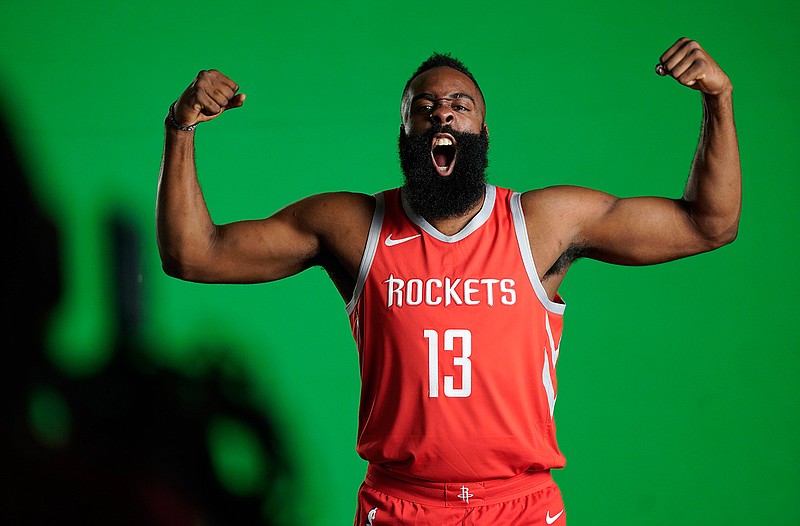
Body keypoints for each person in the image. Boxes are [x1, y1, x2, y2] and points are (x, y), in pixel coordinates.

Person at [157, 37, 740, 525]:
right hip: (401, 505)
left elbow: (707, 223)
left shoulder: (541, 224)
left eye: (460, 105)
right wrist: (179, 129)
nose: (442, 113)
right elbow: (194, 255)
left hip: (518, 506)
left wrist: (719, 99)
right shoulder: (352, 227)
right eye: (424, 107)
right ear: (405, 131)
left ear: (483, 131)